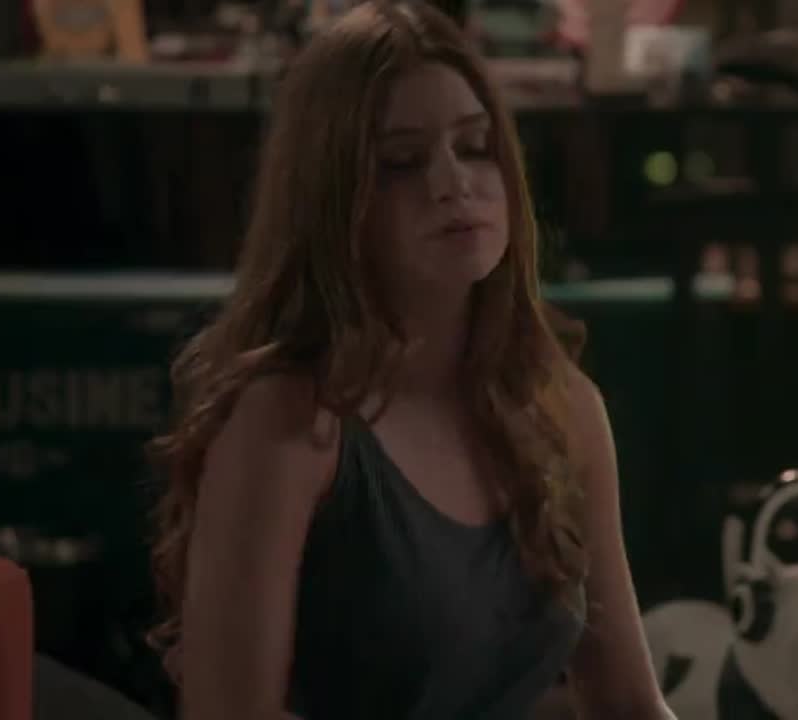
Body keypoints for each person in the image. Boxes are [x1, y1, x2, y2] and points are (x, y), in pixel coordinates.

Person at [145, 2, 672, 718]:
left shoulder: (562, 406)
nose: (453, 182)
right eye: (401, 162)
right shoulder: (291, 422)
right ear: (334, 201)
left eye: (476, 146)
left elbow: (629, 703)